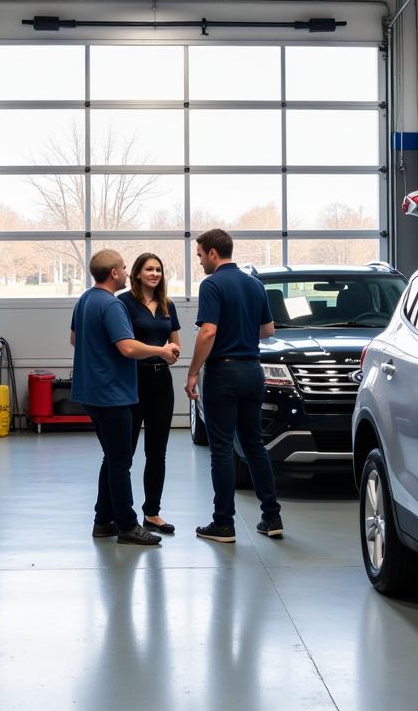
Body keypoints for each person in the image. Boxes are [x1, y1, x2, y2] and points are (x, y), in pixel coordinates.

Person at [71, 249, 180, 546]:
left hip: (91, 392)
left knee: (113, 458)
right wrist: (159, 350)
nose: (126, 270)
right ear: (115, 273)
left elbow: (74, 339)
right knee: (121, 461)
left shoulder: (84, 300)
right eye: (123, 267)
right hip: (113, 394)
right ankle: (128, 525)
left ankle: (102, 520)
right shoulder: (112, 305)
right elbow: (128, 349)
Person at [185, 229, 283, 543]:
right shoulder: (255, 284)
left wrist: (192, 372)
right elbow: (268, 330)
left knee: (222, 450)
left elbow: (208, 332)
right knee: (255, 446)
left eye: (200, 255)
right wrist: (242, 332)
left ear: (213, 253)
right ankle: (271, 517)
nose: (199, 262)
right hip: (253, 371)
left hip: (223, 374)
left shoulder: (212, 284)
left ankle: (223, 523)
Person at [118, 253, 181, 535]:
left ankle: (152, 513)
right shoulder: (124, 302)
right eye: (149, 269)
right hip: (133, 380)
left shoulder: (168, 304)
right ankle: (122, 513)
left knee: (157, 452)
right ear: (137, 273)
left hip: (161, 382)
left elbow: (175, 344)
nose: (154, 274)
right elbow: (126, 344)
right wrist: (160, 350)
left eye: (158, 269)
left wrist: (172, 353)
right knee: (125, 452)